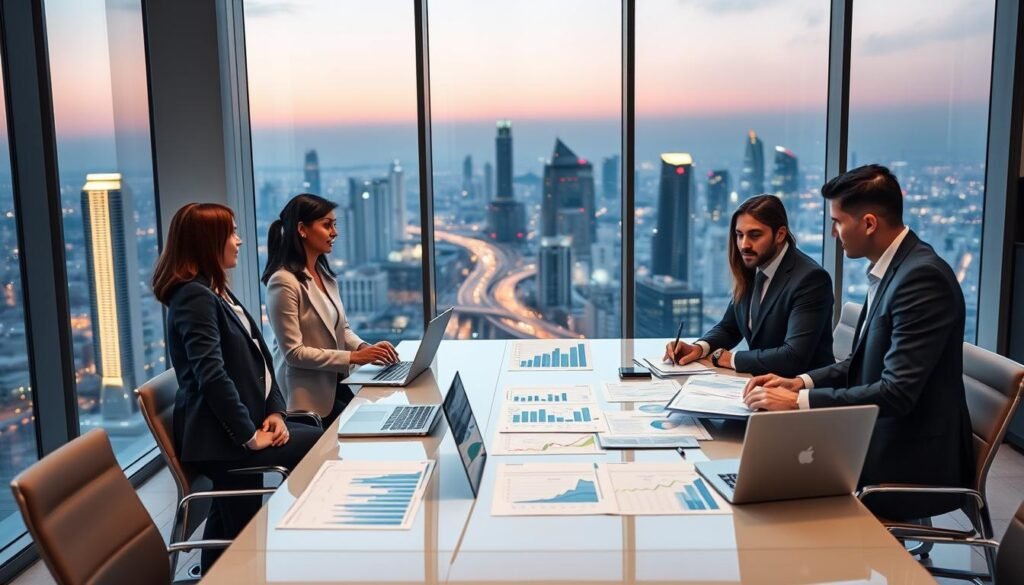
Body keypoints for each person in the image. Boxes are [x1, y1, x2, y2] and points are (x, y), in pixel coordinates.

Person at [743, 165, 974, 521]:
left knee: (767, 489)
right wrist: (801, 383)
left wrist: (797, 402)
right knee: (757, 463)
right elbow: (860, 361)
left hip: (907, 462)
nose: (834, 233)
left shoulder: (921, 279)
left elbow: (896, 393)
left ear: (868, 223)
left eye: (837, 222)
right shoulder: (894, 268)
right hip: (877, 438)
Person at [152, 203, 321, 570]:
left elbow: (260, 357)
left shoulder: (214, 291)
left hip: (235, 427)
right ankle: (301, 543)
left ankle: (223, 569)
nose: (239, 240)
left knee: (306, 431)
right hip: (221, 439)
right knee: (320, 442)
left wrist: (275, 411)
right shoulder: (193, 296)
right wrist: (249, 435)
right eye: (231, 233)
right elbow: (211, 375)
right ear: (208, 242)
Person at [263, 193, 399, 424]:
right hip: (307, 401)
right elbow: (294, 354)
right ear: (302, 229)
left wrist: (367, 348)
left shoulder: (324, 276)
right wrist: (355, 357)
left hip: (337, 386)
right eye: (327, 225)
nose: (334, 233)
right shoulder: (283, 281)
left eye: (334, 225)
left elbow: (342, 329)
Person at [663, 195, 834, 377]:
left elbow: (793, 357)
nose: (744, 245)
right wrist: (699, 348)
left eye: (755, 235)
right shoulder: (754, 267)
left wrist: (731, 359)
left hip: (803, 393)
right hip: (763, 383)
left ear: (780, 235)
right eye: (739, 235)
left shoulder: (810, 279)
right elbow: (730, 327)